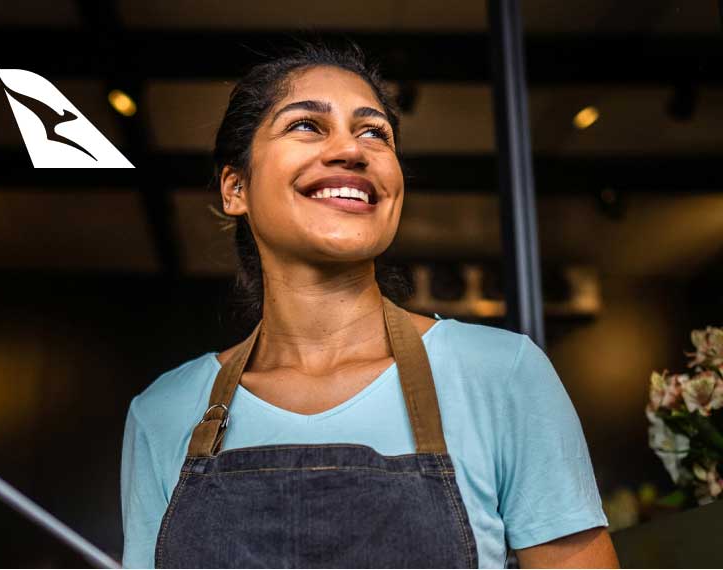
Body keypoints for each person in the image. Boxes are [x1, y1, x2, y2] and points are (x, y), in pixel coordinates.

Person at [120, 40, 617, 569]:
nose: (352, 150)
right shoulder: (165, 414)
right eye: (306, 125)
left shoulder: (503, 374)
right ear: (235, 187)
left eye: (373, 132)